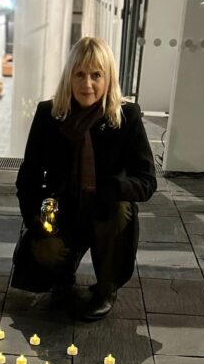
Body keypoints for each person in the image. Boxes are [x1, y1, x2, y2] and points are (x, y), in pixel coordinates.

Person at [12, 36, 157, 321]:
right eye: (79, 74)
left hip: (105, 211)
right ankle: (62, 280)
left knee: (119, 208)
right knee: (45, 248)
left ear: (108, 78)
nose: (87, 84)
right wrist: (38, 224)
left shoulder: (127, 116)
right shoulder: (48, 114)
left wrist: (112, 187)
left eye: (96, 75)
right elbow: (27, 181)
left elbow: (147, 180)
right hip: (64, 211)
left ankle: (106, 289)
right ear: (69, 76)